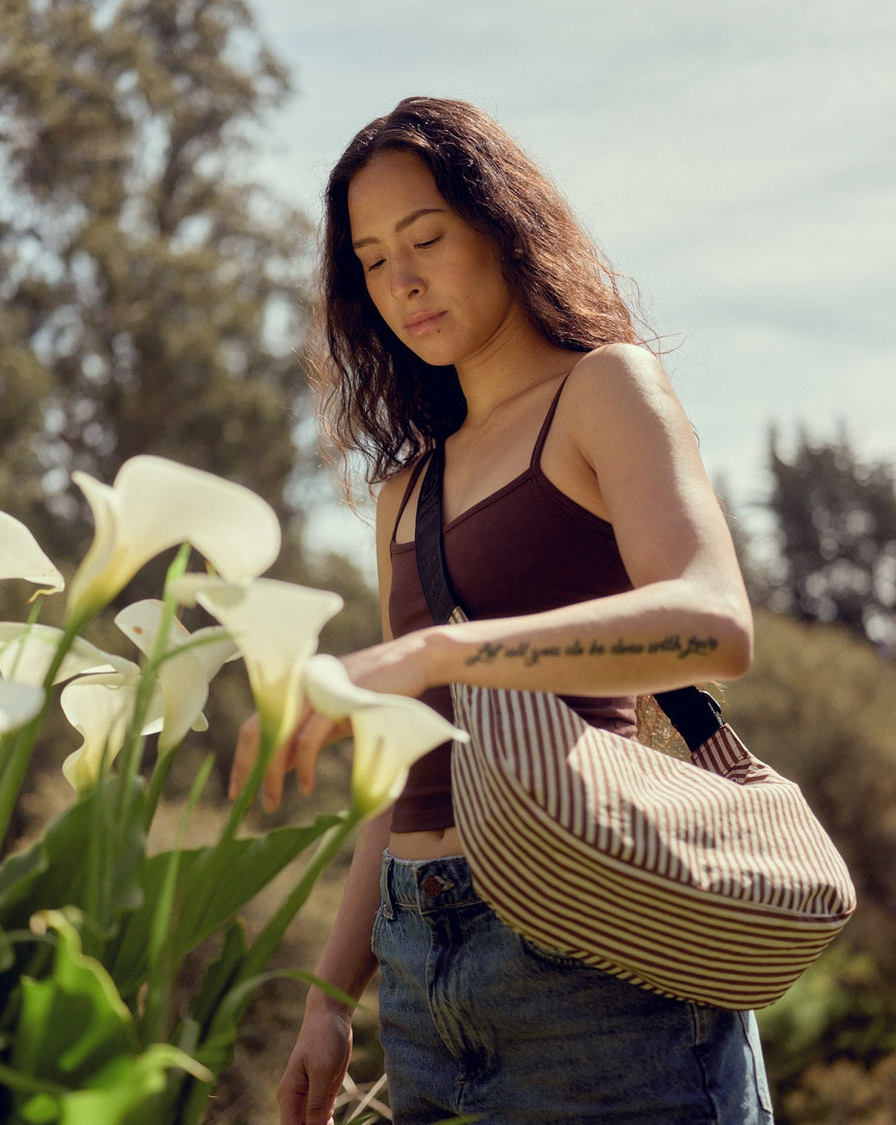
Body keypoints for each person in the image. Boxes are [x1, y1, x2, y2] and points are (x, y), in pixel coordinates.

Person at [231, 97, 773, 1125]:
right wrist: (331, 998)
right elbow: (402, 767)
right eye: (373, 259)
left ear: (502, 226)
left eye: (427, 238)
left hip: (589, 952)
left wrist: (435, 650)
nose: (403, 282)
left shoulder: (605, 391)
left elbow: (715, 624)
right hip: (421, 972)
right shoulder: (406, 491)